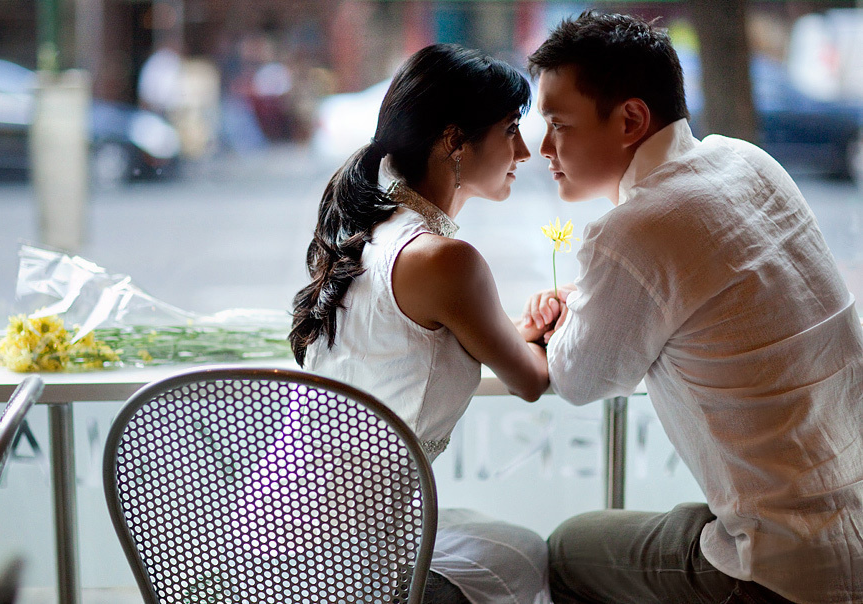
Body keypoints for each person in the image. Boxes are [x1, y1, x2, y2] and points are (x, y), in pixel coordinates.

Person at [522, 10, 863, 604]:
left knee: (570, 548)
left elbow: (578, 378)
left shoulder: (635, 231)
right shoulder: (749, 162)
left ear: (630, 118)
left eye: (559, 124)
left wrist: (557, 320)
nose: (544, 147)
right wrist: (590, 302)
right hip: (852, 530)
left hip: (784, 572)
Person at [290, 43, 552, 604]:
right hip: (343, 564)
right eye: (511, 129)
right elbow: (529, 381)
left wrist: (521, 328)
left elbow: (435, 334)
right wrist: (564, 321)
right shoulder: (441, 259)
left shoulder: (375, 234)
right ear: (454, 140)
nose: (526, 151)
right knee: (526, 556)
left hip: (279, 533)